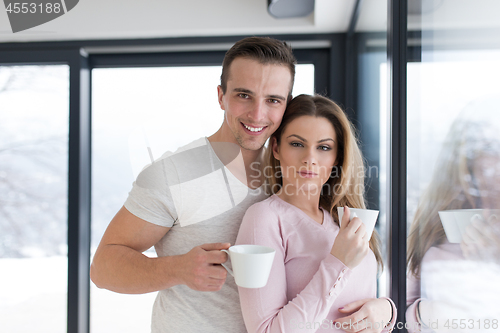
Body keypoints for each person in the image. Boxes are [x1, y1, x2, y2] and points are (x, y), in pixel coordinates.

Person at [90, 36, 296, 333]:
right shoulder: (172, 174)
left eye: (273, 100)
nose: (258, 114)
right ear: (221, 96)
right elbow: (103, 270)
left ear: (286, 104)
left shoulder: (291, 176)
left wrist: (384, 308)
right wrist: (178, 269)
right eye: (244, 95)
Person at [235, 94, 397, 333]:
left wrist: (387, 311)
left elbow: (363, 300)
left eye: (323, 147)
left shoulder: (342, 218)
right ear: (277, 148)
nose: (310, 159)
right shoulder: (264, 219)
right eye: (297, 144)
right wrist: (338, 263)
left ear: (337, 157)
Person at [406, 97, 500, 333]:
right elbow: (399, 310)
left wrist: (492, 264)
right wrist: (426, 313)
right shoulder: (439, 217)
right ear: (467, 159)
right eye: (489, 149)